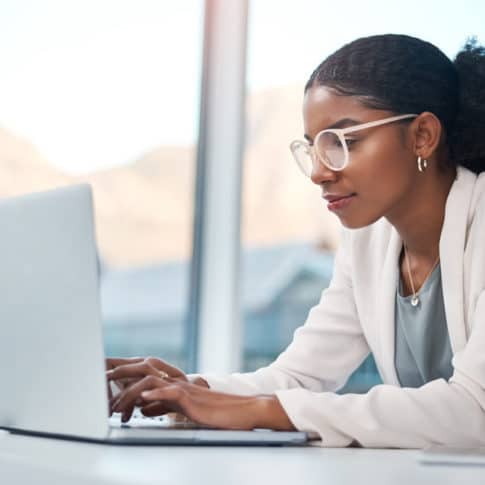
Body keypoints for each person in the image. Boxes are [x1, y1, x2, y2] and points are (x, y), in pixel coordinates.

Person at [106, 34, 485, 448]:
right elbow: (298, 377)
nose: (319, 172)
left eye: (343, 143)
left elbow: (474, 409)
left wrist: (264, 411)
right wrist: (186, 389)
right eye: (314, 148)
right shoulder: (366, 243)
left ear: (423, 135)